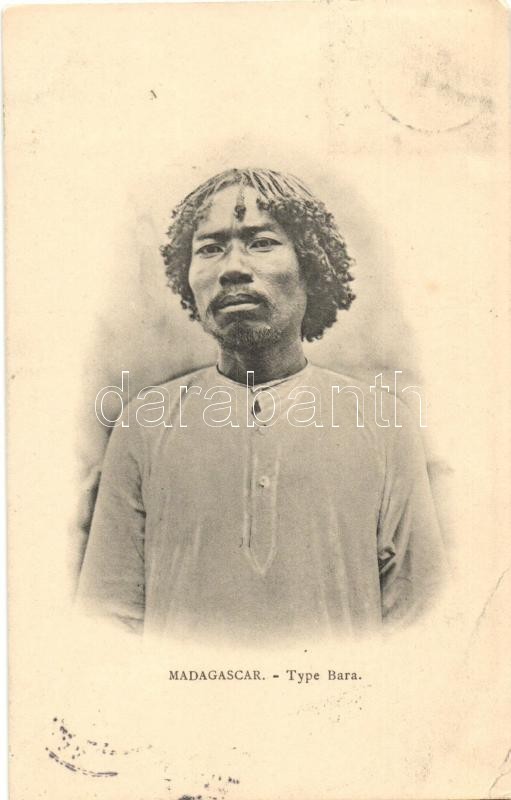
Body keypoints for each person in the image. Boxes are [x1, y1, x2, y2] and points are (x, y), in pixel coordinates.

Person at [76, 167, 446, 642]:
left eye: (261, 242)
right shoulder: (144, 425)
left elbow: (420, 628)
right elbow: (107, 625)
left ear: (312, 267)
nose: (232, 267)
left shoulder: (383, 423)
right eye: (210, 248)